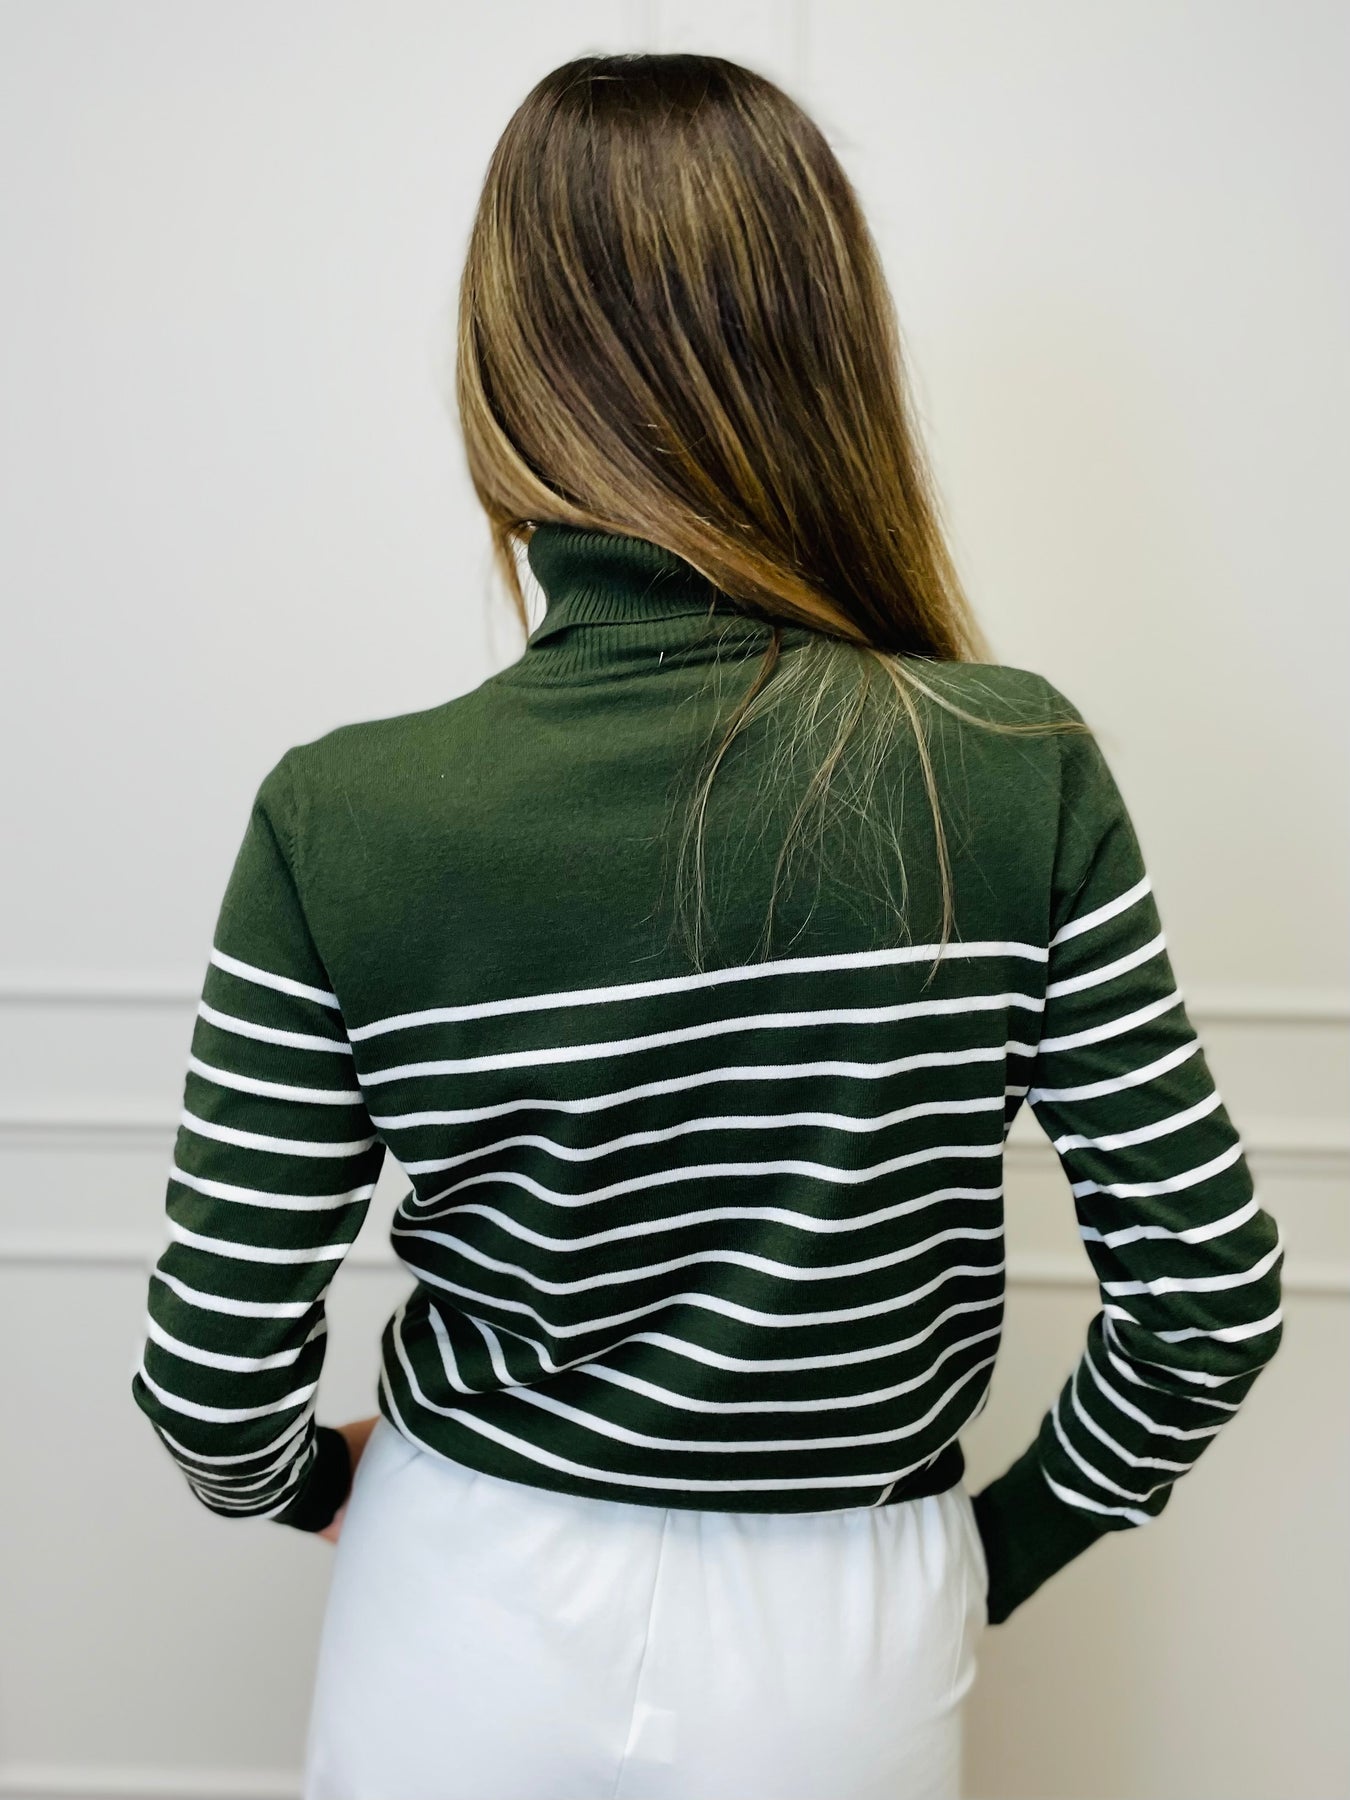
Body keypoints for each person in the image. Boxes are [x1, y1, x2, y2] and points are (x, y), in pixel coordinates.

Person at [128, 51, 1285, 1800]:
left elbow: (211, 1375)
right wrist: (997, 1552)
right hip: (848, 1642)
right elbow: (1208, 1293)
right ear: (829, 360)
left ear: (504, 373)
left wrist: (310, 1489)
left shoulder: (342, 813)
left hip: (457, 1601)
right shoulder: (1009, 765)